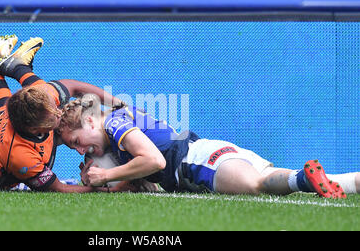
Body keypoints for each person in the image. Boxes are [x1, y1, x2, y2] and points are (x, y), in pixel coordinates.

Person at [57, 94, 360, 199]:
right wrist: (96, 181)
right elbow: (135, 176)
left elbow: (155, 161)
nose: (79, 150)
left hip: (197, 161)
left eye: (76, 142)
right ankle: (351, 181)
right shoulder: (116, 131)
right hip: (208, 153)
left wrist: (105, 177)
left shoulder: (114, 123)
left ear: (90, 123)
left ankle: (306, 179)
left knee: (257, 185)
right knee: (272, 179)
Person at [0, 34, 131, 193]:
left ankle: (1, 68)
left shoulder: (44, 99)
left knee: (13, 105)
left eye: (55, 109)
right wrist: (110, 190)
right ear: (33, 128)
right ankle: (12, 67)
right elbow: (58, 188)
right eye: (52, 117)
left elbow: (74, 86)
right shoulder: (20, 155)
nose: (59, 113)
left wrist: (119, 104)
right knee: (11, 113)